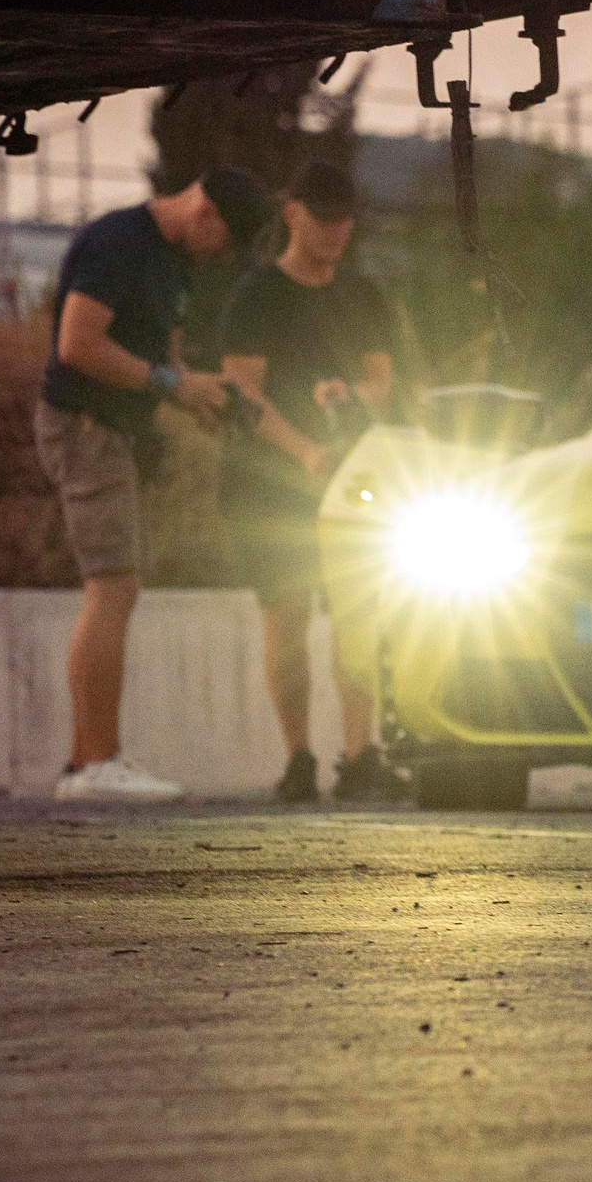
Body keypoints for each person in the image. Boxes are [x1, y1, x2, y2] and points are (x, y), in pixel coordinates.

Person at [34, 165, 275, 802]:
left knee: (120, 589)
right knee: (113, 588)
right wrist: (173, 386)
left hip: (119, 430)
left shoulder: (171, 262)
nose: (218, 258)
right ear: (206, 213)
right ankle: (91, 766)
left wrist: (197, 395)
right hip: (88, 426)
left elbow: (161, 356)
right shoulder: (118, 243)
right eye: (223, 245)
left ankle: (97, 760)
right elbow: (77, 345)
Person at [214, 157, 400, 803]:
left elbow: (382, 381)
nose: (335, 232)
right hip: (271, 486)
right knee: (286, 619)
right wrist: (304, 451)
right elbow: (243, 392)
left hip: (351, 488)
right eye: (323, 219)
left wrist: (353, 396)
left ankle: (360, 753)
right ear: (292, 213)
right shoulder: (258, 295)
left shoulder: (362, 295)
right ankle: (298, 756)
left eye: (344, 219)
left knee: (357, 619)